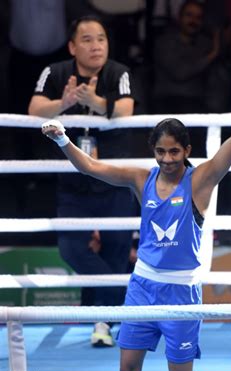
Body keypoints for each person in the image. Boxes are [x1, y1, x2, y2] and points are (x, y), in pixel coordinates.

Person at [41, 56, 231, 371]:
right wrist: (63, 140)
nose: (167, 159)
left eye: (174, 152)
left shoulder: (201, 181)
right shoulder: (141, 180)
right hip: (142, 287)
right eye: (160, 152)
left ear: (187, 150)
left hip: (182, 293)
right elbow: (91, 167)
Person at [28, 15, 138, 348]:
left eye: (101, 39)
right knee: (72, 248)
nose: (96, 46)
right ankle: (127, 295)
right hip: (73, 178)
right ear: (73, 46)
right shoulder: (56, 73)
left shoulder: (118, 72)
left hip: (114, 178)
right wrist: (65, 103)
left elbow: (126, 112)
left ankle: (102, 323)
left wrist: (96, 103)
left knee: (118, 251)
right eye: (88, 40)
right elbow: (34, 110)